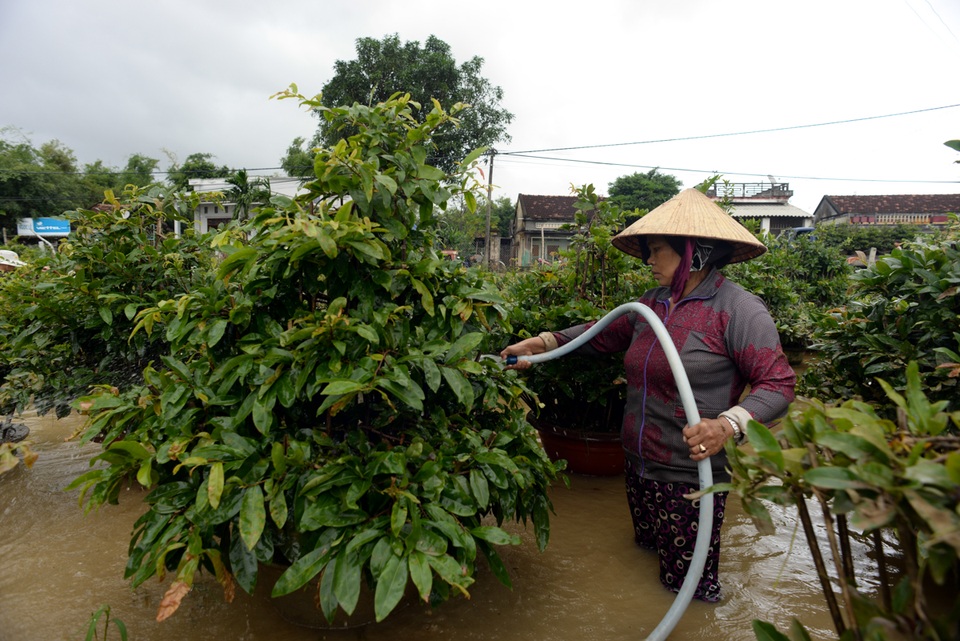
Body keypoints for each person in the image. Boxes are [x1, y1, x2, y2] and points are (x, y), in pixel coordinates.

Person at [500, 188, 796, 602]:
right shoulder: (652, 304)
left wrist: (727, 425)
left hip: (688, 476)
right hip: (638, 465)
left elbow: (778, 384)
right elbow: (600, 334)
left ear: (694, 253)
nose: (648, 260)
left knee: (689, 590)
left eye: (657, 250)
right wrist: (542, 343)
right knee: (646, 560)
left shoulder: (739, 310)